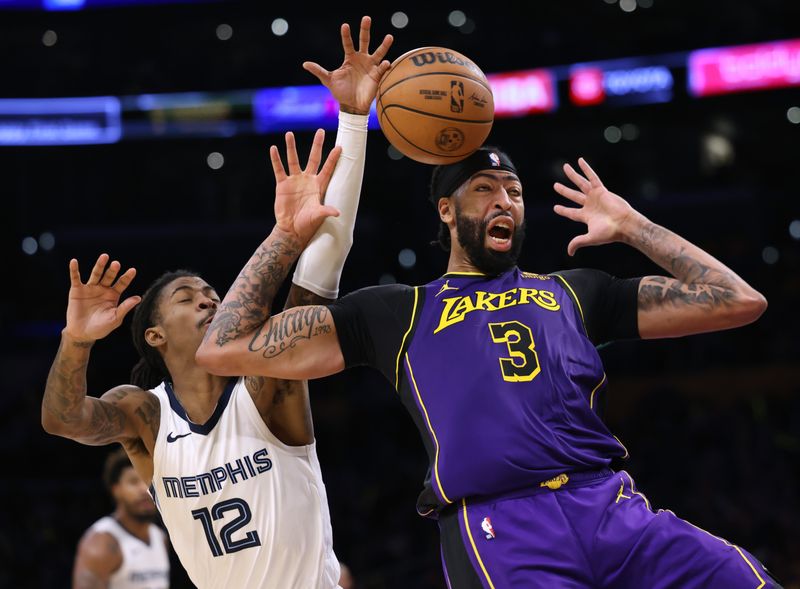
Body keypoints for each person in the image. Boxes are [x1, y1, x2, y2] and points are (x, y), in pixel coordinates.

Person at [197, 143, 782, 588]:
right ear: (447, 210)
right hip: (503, 529)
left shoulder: (576, 292)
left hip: (611, 507)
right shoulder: (398, 311)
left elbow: (740, 302)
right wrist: (284, 235)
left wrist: (633, 226)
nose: (505, 200)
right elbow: (222, 347)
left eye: (515, 191)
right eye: (485, 188)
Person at [42, 16, 393, 589]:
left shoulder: (265, 384)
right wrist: (75, 342)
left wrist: (354, 123)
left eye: (212, 292)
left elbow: (321, 269)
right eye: (188, 296)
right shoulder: (145, 415)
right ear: (154, 334)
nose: (209, 299)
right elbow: (62, 420)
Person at [73, 448, 170, 589]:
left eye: (148, 481)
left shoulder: (160, 537)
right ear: (116, 489)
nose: (144, 489)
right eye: (133, 482)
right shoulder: (100, 543)